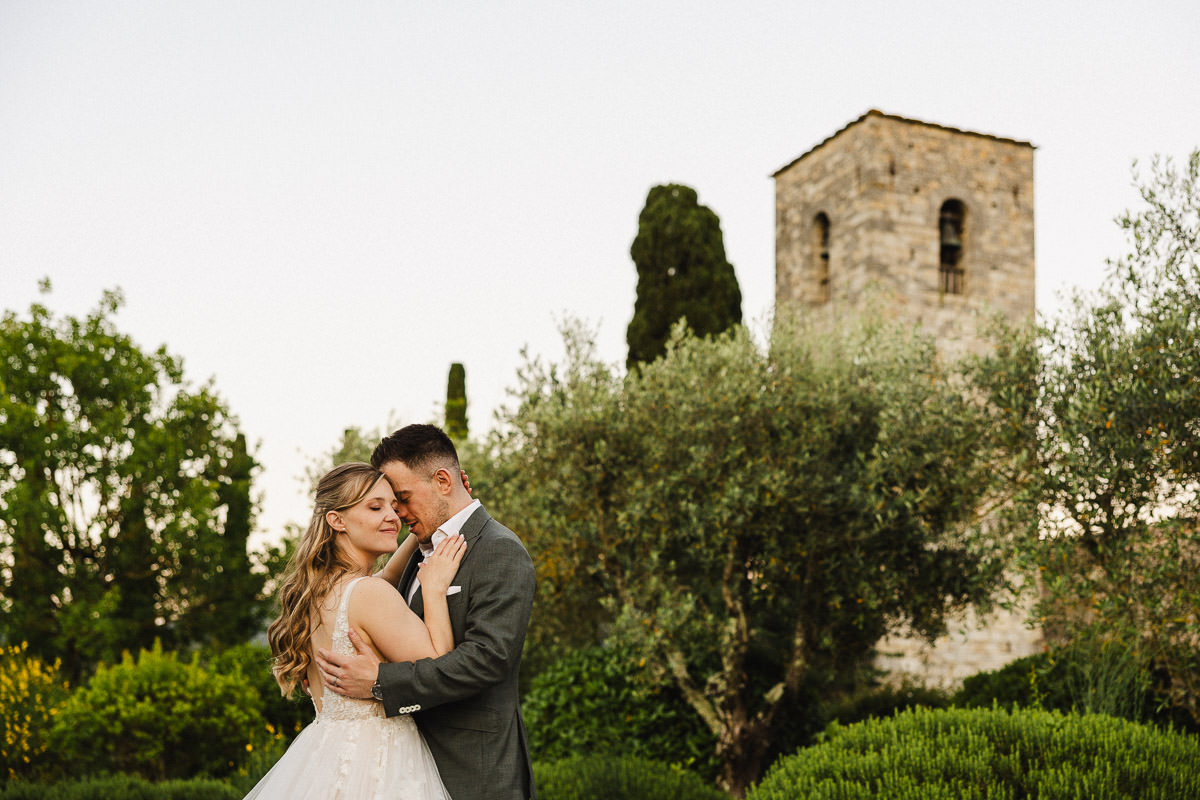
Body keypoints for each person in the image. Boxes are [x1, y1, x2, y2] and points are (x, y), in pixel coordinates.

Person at [316, 424, 537, 800]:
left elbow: (487, 660)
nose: (397, 513)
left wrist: (380, 682)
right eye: (385, 503)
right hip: (401, 770)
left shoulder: (499, 550)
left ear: (443, 481)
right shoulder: (418, 551)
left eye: (401, 497)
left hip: (471, 770)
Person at [244, 461, 467, 800]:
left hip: (323, 758)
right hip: (381, 762)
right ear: (337, 520)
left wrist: (420, 531)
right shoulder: (368, 594)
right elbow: (438, 667)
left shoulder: (319, 592)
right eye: (375, 507)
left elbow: (384, 580)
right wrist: (434, 590)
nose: (393, 516)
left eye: (395, 507)